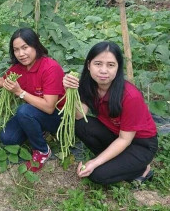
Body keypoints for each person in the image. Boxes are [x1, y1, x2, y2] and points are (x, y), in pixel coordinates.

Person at [0, 27, 65, 172]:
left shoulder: (50, 68)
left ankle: (42, 150)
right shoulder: (19, 68)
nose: (21, 54)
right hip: (35, 112)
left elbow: (49, 107)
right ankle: (38, 130)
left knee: (23, 111)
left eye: (25, 47)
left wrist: (20, 92)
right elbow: (1, 81)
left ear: (35, 45)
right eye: (16, 50)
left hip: (56, 117)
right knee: (8, 138)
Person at [63, 41, 158, 185]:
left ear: (118, 68)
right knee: (80, 124)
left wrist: (95, 162)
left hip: (140, 144)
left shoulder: (130, 96)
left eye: (110, 65)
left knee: (97, 175)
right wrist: (70, 90)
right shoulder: (89, 85)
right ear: (89, 65)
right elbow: (79, 115)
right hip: (115, 134)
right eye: (98, 64)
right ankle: (119, 163)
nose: (103, 70)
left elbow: (125, 139)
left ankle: (141, 168)